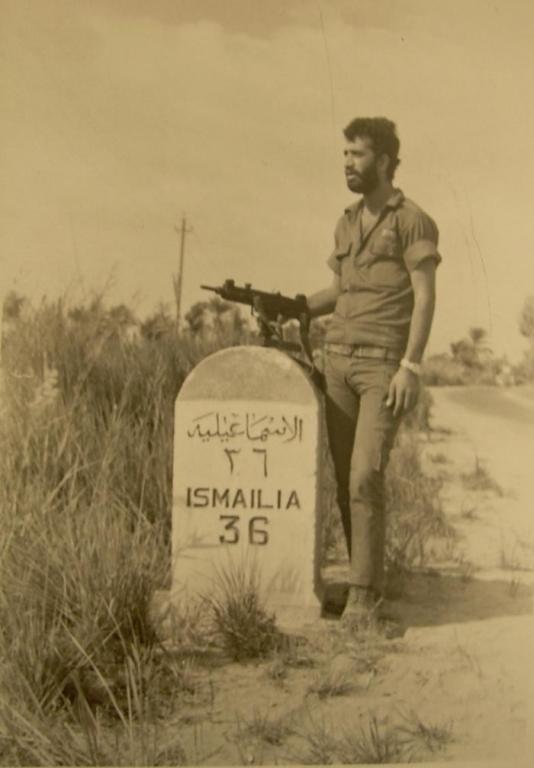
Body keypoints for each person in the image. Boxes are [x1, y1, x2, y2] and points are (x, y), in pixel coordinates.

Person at [306, 117, 441, 630]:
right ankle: (360, 586)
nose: (347, 164)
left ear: (384, 161)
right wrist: (292, 306)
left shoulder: (413, 221)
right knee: (345, 478)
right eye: (344, 154)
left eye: (357, 155)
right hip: (336, 359)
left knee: (366, 473)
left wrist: (411, 366)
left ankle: (367, 597)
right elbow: (337, 292)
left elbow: (425, 297)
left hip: (383, 365)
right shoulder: (345, 221)